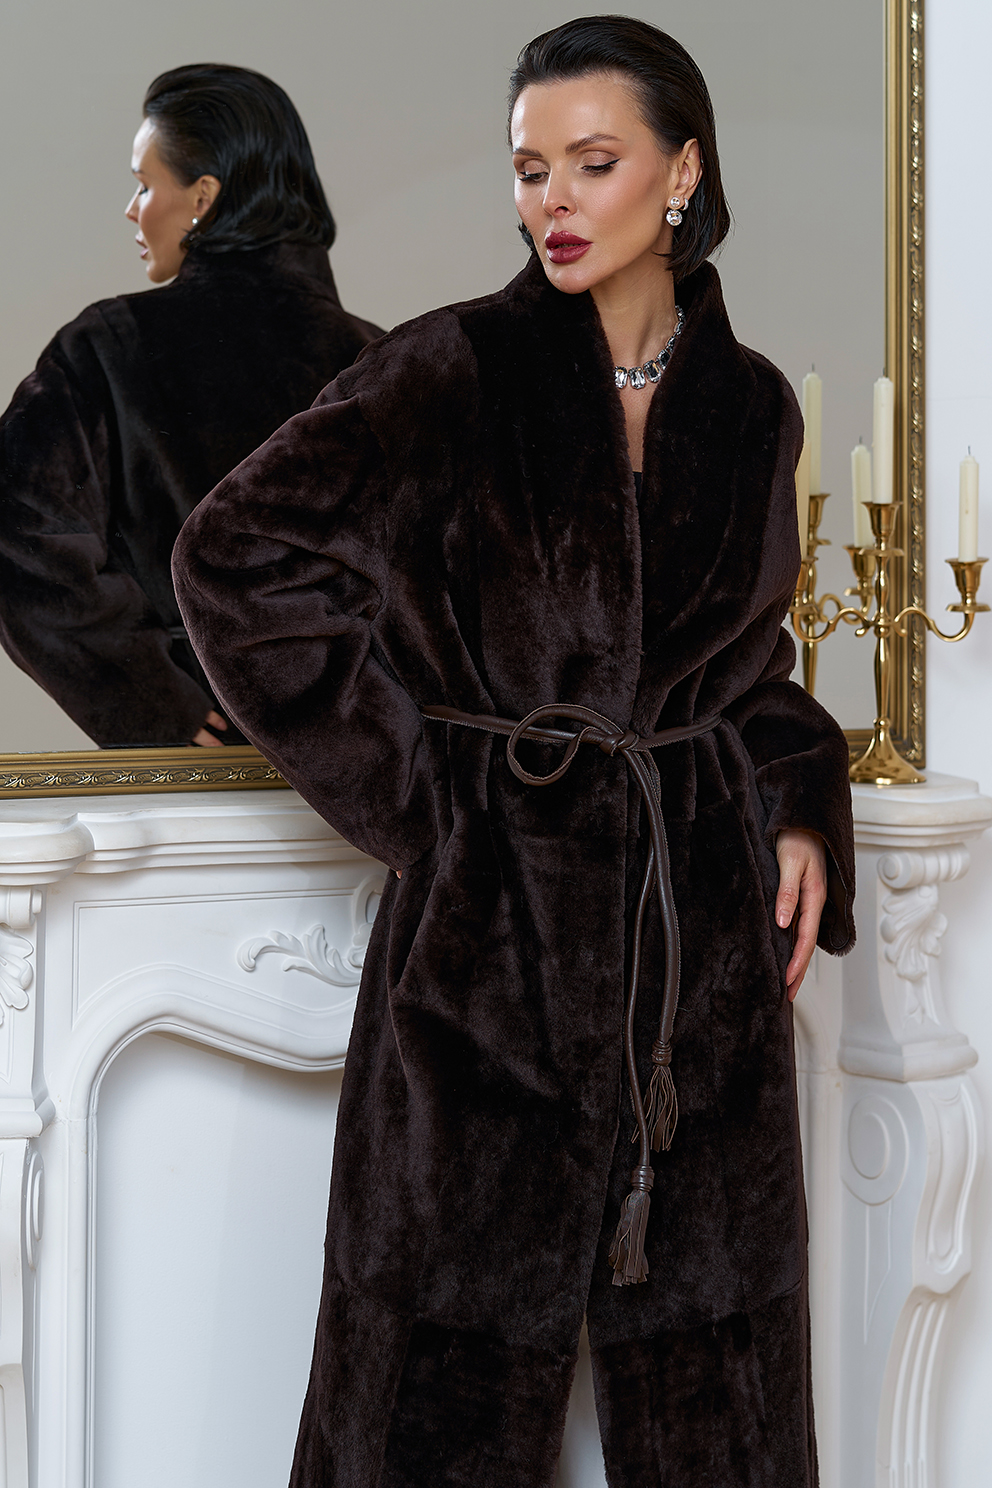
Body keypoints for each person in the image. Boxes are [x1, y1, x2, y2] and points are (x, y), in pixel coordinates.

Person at [173, 17, 855, 1487]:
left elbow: (744, 663)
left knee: (722, 1382)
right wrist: (424, 799)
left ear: (682, 171)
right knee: (427, 1381)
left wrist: (798, 799)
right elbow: (233, 557)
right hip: (487, 950)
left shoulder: (751, 407)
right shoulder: (452, 369)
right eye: (530, 168)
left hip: (695, 954)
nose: (554, 200)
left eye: (592, 163)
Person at [0, 64, 381, 748]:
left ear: (203, 196)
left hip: (200, 776)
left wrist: (153, 701)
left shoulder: (110, 345)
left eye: (144, 184)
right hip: (370, 770)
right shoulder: (383, 360)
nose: (132, 208)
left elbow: (17, 534)